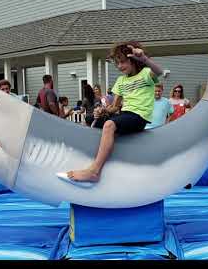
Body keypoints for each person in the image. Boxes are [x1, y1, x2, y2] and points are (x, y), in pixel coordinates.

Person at [63, 41, 163, 183]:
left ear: (133, 60)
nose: (120, 66)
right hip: (125, 115)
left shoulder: (146, 74)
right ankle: (89, 159)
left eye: (123, 62)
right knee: (93, 121)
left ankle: (94, 171)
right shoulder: (121, 81)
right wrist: (102, 110)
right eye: (117, 63)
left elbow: (159, 72)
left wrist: (144, 59)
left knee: (110, 125)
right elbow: (114, 107)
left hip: (139, 117)